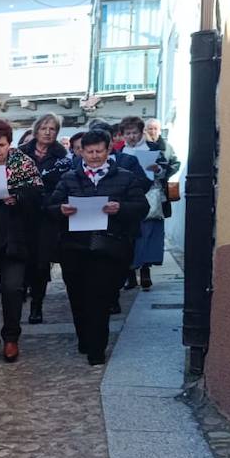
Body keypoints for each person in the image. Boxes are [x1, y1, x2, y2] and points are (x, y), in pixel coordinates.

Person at [49, 129, 149, 365]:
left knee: (100, 298)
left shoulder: (125, 177)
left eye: (99, 151)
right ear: (81, 152)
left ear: (108, 150)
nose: (94, 156)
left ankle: (97, 348)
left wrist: (120, 208)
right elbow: (50, 207)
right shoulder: (69, 178)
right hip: (74, 248)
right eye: (89, 151)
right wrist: (61, 210)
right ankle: (85, 338)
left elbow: (141, 207)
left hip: (110, 247)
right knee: (78, 297)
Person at [0, 120, 43, 364]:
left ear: (9, 144)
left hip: (14, 238)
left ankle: (12, 337)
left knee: (12, 289)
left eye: (1, 145)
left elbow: (37, 192)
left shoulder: (24, 164)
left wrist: (18, 197)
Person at [18, 114, 71, 323]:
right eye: (44, 128)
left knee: (41, 263)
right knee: (23, 259)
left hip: (47, 215)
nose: (48, 132)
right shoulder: (21, 154)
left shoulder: (62, 156)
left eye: (52, 129)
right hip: (21, 214)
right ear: (36, 129)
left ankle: (36, 305)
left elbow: (63, 185)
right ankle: (20, 292)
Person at [117, 116, 174, 291]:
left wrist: (158, 170)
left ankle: (145, 270)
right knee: (128, 236)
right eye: (128, 133)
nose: (132, 136)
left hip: (149, 196)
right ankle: (130, 274)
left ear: (141, 132)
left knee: (147, 234)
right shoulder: (119, 152)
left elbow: (167, 168)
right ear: (123, 135)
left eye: (134, 132)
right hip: (127, 199)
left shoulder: (154, 148)